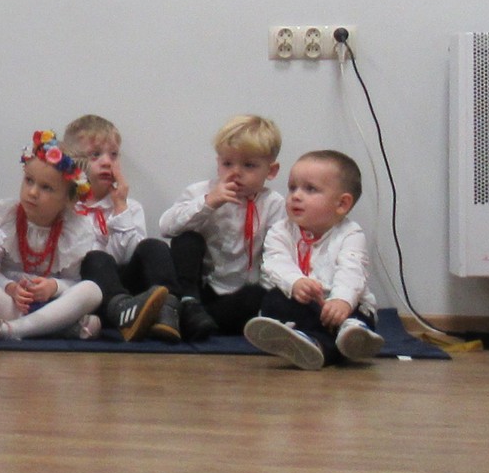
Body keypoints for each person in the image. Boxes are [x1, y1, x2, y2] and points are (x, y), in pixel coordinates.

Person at [244, 148, 383, 370]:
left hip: (343, 307)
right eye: (292, 188)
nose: (296, 196)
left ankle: (350, 333)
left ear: (342, 204)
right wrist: (295, 282)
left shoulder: (350, 234)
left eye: (310, 189)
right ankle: (316, 341)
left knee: (359, 310)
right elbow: (275, 262)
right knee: (272, 300)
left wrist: (342, 301)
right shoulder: (280, 231)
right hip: (305, 305)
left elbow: (352, 270)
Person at [155, 114, 285, 341]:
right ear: (218, 164)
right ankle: (189, 307)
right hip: (200, 290)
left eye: (249, 165)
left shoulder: (274, 204)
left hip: (240, 292)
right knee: (187, 240)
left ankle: (203, 323)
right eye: (227, 163)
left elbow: (276, 254)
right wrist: (208, 203)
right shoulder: (201, 192)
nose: (236, 172)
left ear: (271, 171)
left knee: (257, 296)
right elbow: (166, 227)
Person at [59, 112, 177, 342]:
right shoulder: (68, 210)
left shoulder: (130, 207)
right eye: (95, 155)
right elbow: (76, 262)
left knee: (154, 246)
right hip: (95, 294)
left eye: (113, 155)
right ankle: (121, 309)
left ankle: (168, 308)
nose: (107, 162)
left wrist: (120, 207)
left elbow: (133, 253)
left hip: (134, 291)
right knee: (96, 258)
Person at [0, 133, 105, 341]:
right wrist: (10, 287)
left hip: (52, 302)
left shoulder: (74, 230)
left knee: (92, 290)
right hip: (12, 299)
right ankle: (59, 327)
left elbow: (73, 281)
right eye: (29, 180)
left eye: (46, 187)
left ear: (69, 199)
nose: (32, 192)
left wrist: (54, 287)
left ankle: (15, 329)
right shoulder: (5, 218)